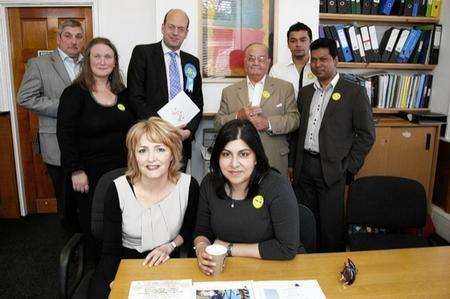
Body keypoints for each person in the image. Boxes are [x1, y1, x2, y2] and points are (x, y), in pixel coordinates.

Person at [89, 117, 199, 298]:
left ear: (173, 154)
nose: (151, 159)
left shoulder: (189, 186)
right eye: (142, 150)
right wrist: (116, 284)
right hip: (123, 261)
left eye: (160, 149)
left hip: (167, 260)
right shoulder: (117, 188)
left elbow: (188, 229)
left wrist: (170, 246)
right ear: (134, 156)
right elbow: (110, 249)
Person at [292, 38, 375, 252]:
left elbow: (366, 134)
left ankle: (331, 272)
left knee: (331, 227)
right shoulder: (305, 93)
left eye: (324, 59)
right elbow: (297, 132)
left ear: (336, 60)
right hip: (305, 168)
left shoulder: (354, 92)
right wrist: (293, 165)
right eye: (314, 60)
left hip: (333, 169)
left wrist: (349, 167)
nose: (318, 64)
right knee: (306, 224)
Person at [57, 37, 135, 261]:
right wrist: (75, 169)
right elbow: (65, 135)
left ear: (115, 62)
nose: (103, 61)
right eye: (97, 56)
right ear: (88, 61)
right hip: (88, 175)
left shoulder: (123, 93)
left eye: (108, 56)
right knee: (95, 225)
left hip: (123, 171)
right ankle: (96, 269)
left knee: (122, 220)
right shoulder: (74, 94)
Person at [194, 119, 301, 276]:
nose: (234, 164)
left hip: (276, 269)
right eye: (226, 154)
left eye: (243, 154)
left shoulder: (276, 185)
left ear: (256, 157)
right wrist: (202, 248)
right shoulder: (209, 183)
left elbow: (287, 248)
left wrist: (229, 248)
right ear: (217, 157)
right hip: (226, 271)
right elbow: (202, 231)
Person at [17, 19, 85, 230]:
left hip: (88, 143)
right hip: (57, 145)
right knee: (66, 203)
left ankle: (90, 245)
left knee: (88, 200)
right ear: (58, 38)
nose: (73, 41)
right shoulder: (39, 64)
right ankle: (71, 249)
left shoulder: (90, 62)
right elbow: (25, 98)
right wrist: (65, 108)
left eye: (78, 36)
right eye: (68, 36)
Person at [127, 8, 203, 170]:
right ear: (163, 28)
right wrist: (162, 129)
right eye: (171, 27)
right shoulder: (143, 53)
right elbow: (135, 98)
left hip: (181, 142)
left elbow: (197, 102)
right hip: (151, 140)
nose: (175, 32)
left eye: (181, 29)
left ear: (186, 33)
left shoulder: (192, 62)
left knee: (177, 189)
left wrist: (188, 131)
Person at [214, 43, 299, 176]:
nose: (256, 63)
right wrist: (238, 116)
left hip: (274, 159)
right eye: (251, 58)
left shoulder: (285, 88)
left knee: (272, 196)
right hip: (239, 163)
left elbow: (294, 119)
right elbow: (218, 123)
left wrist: (268, 123)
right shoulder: (229, 92)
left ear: (269, 62)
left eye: (261, 59)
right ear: (244, 62)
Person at [269, 22, 316, 181]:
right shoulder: (278, 69)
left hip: (312, 126)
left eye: (303, 40)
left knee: (307, 175)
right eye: (293, 40)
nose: (298, 44)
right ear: (288, 44)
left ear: (310, 41)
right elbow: (273, 99)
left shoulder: (318, 67)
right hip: (287, 129)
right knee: (286, 174)